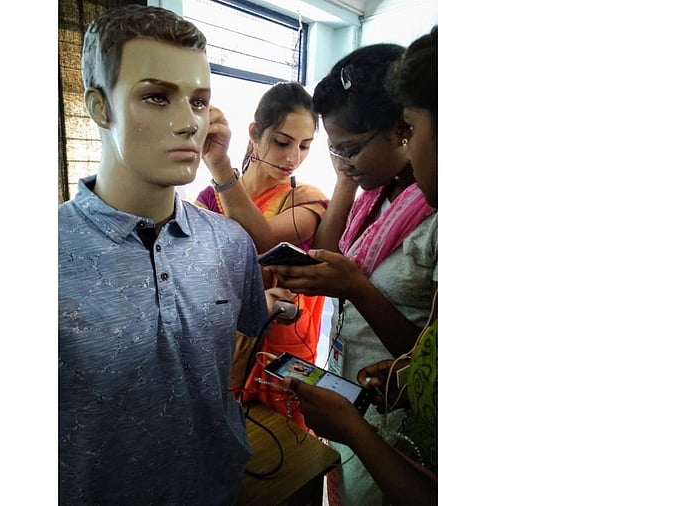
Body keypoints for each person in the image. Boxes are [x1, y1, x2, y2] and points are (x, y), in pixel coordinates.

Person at [57, 6, 269, 504]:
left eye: (199, 102)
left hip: (219, 490)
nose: (187, 123)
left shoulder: (231, 245)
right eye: (156, 97)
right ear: (100, 106)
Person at [266, 43, 437, 505]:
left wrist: (356, 288)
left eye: (352, 149)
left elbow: (431, 359)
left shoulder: (435, 216)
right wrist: (349, 171)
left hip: (398, 418)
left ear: (402, 130)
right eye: (334, 151)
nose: (343, 163)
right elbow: (330, 248)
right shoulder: (376, 196)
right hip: (355, 392)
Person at [196, 82, 328, 429]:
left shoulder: (306, 199)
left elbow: (263, 240)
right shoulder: (207, 201)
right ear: (254, 133)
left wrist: (220, 167)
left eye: (304, 146)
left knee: (292, 454)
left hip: (285, 352)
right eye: (283, 142)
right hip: (225, 349)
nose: (293, 158)